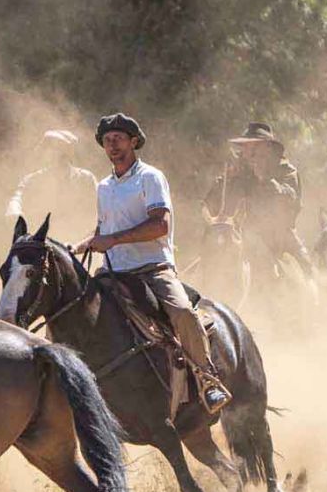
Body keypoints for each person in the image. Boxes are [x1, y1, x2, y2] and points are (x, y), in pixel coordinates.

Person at [73, 113, 231, 413]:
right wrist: (82, 245)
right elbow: (104, 231)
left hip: (152, 270)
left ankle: (208, 380)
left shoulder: (150, 177)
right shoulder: (104, 186)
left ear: (134, 142)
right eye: (107, 141)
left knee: (183, 312)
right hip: (113, 272)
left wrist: (113, 240)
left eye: (119, 138)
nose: (112, 145)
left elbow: (160, 225)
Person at [201, 122, 312, 273]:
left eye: (252, 146)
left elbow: (291, 199)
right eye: (245, 146)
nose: (246, 151)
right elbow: (215, 204)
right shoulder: (240, 170)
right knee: (210, 260)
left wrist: (265, 180)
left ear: (267, 147)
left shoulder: (285, 170)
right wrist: (227, 180)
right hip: (244, 233)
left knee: (307, 269)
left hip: (280, 235)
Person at [5, 129, 98, 227]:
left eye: (60, 151)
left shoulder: (86, 178)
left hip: (81, 237)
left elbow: (101, 204)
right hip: (41, 238)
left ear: (68, 153)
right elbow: (18, 196)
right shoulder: (33, 180)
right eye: (51, 150)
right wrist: (14, 210)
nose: (55, 155)